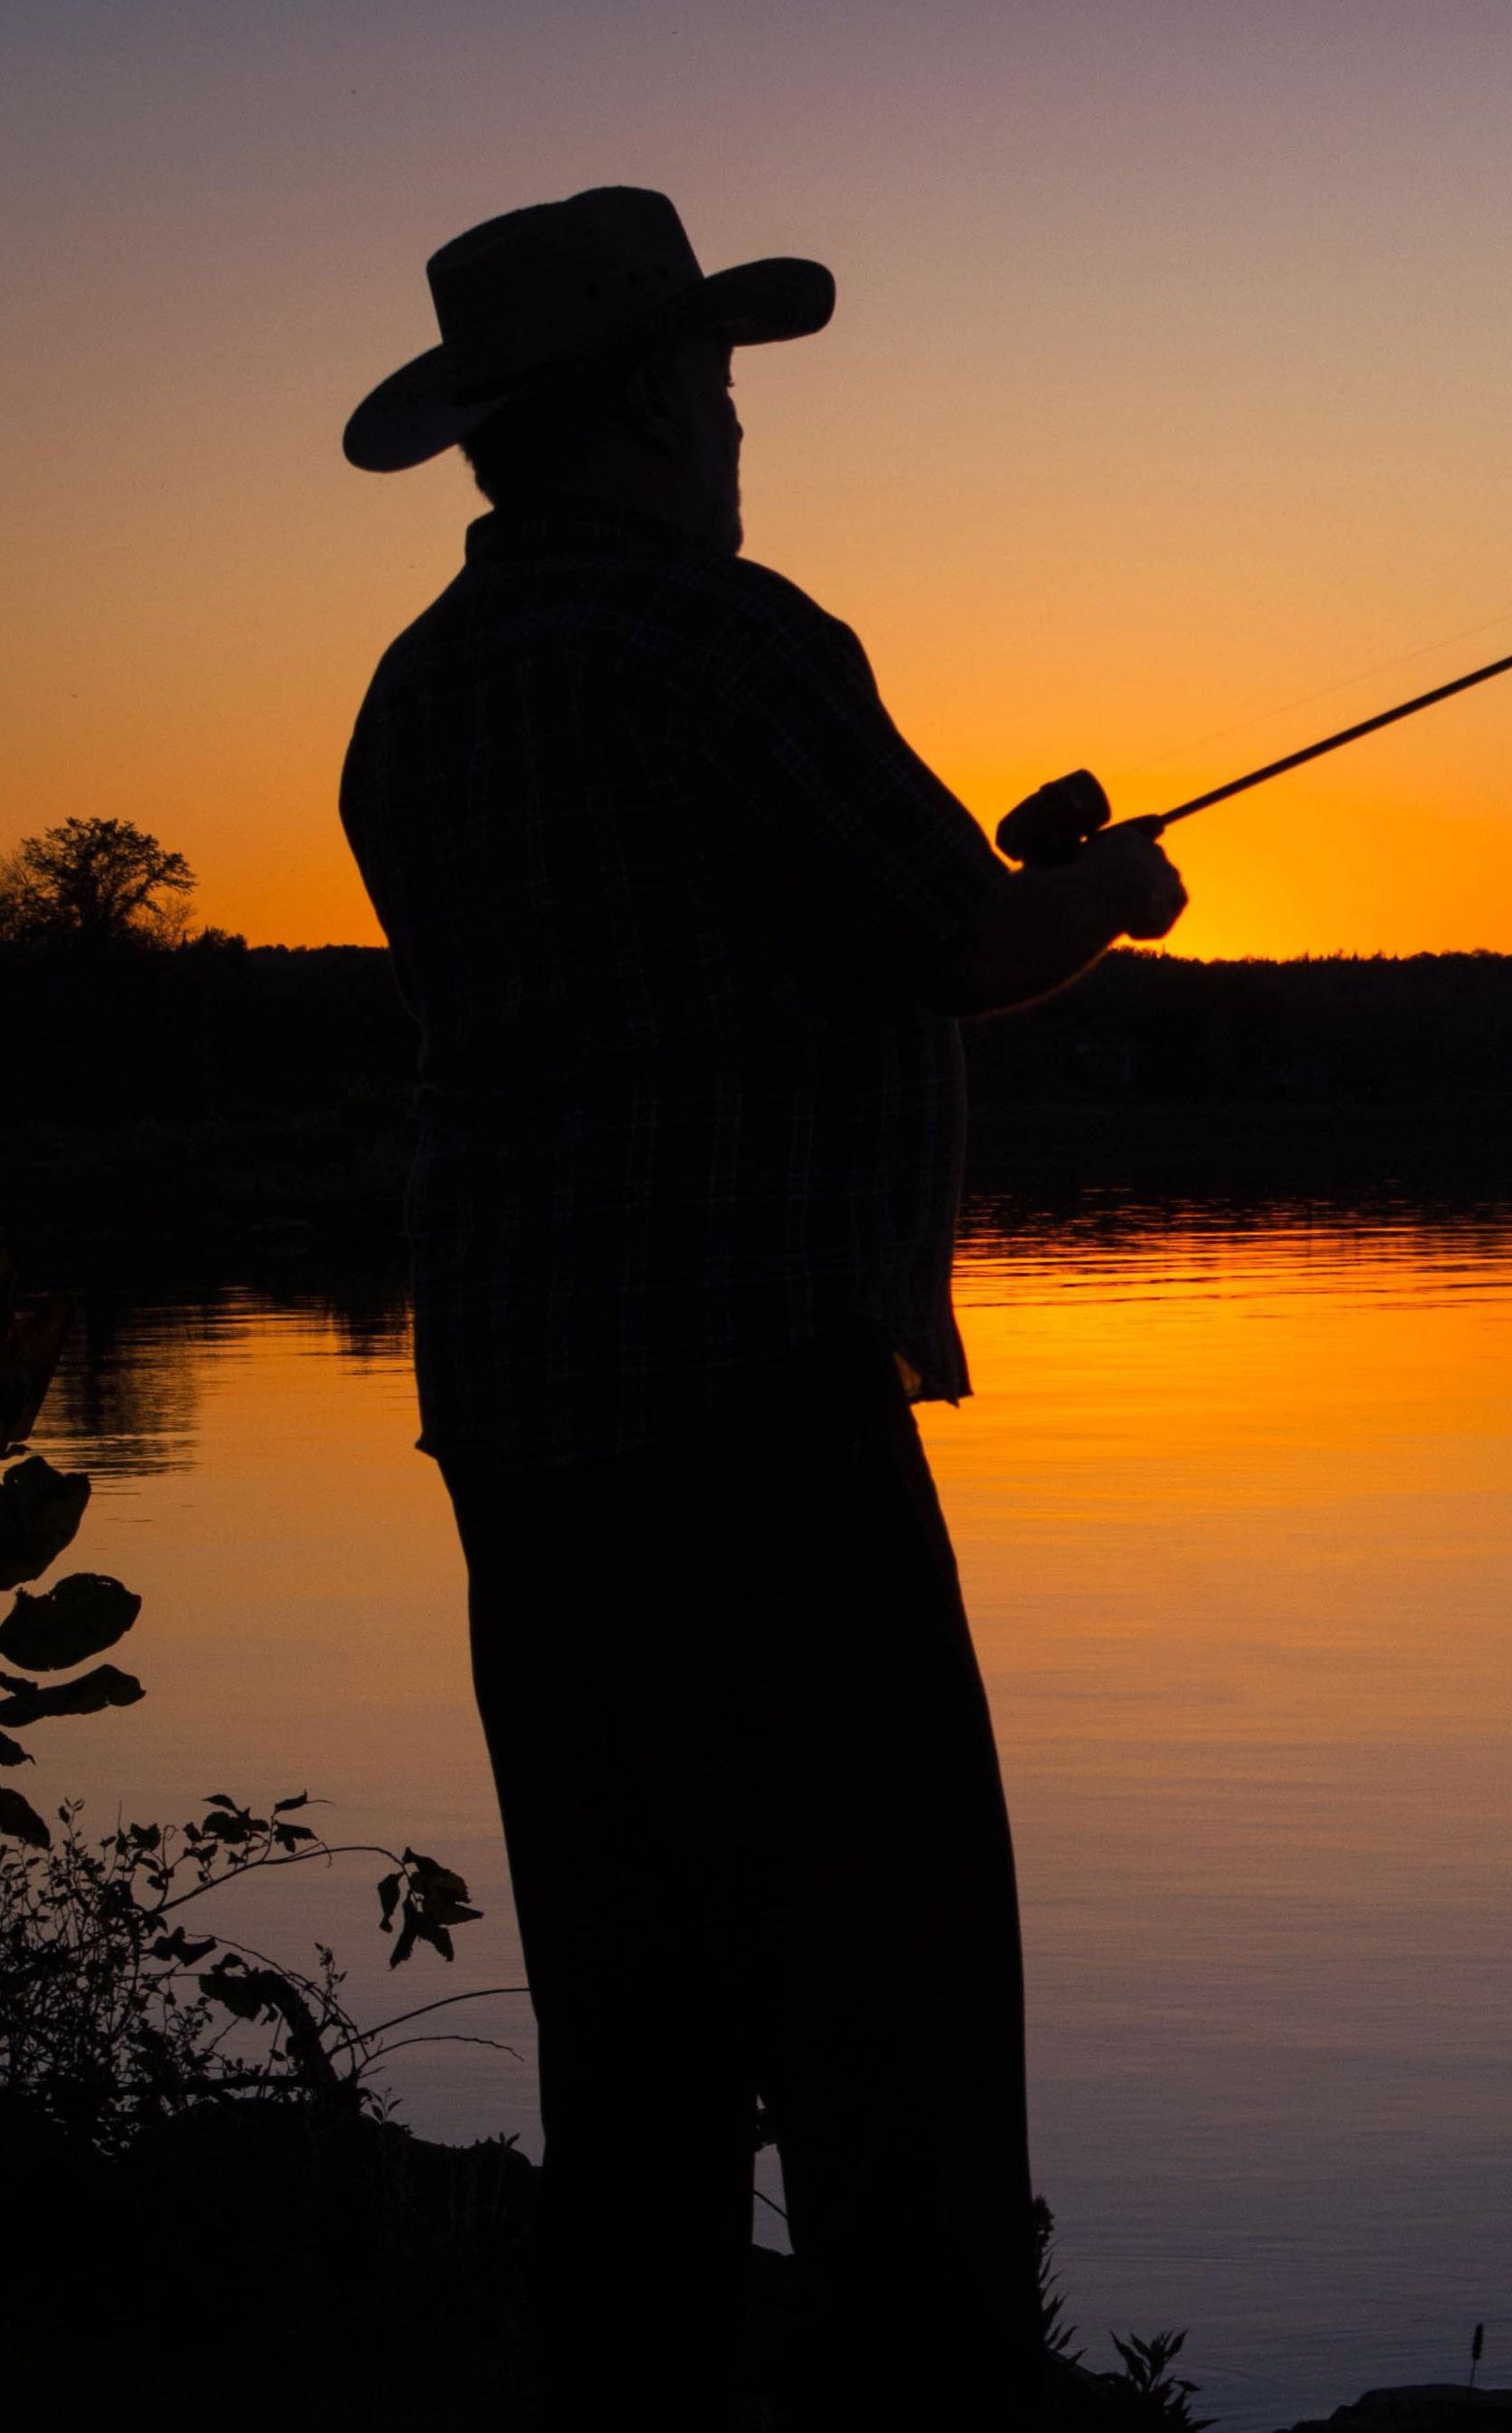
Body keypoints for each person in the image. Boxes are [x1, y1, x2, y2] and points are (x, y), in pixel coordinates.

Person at [336, 186, 1179, 2427]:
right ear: (634, 399)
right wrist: (1105, 887)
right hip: (760, 1425)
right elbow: (962, 944)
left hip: (522, 1433)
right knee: (891, 1998)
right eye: (711, 384)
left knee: (633, 2014)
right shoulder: (728, 640)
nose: (732, 426)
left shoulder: (415, 697)